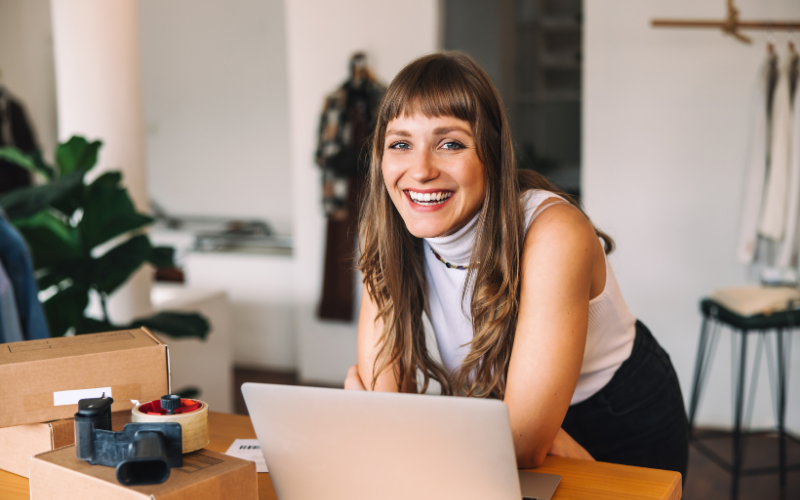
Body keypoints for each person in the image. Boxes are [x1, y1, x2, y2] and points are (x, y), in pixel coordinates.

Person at [344, 52, 689, 476]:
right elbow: (385, 409)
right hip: (497, 415)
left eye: (450, 143)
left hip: (616, 416)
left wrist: (523, 432)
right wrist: (515, 429)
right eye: (400, 144)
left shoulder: (553, 232)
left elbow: (520, 445)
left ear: (491, 154)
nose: (420, 170)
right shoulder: (390, 231)